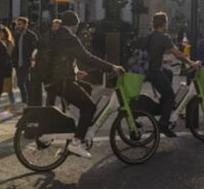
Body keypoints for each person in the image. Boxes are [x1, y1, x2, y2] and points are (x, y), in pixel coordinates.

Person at [46, 10, 123, 159]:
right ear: (75, 25)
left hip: (54, 80)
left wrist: (75, 72)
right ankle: (76, 142)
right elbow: (87, 57)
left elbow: (62, 59)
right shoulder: (70, 38)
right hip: (62, 82)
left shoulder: (56, 35)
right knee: (90, 106)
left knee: (87, 88)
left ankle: (78, 128)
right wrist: (112, 67)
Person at [145, 12, 199, 138]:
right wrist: (191, 62)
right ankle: (163, 124)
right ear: (164, 23)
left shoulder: (151, 36)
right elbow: (178, 54)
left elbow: (152, 53)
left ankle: (165, 105)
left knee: (168, 73)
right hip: (155, 72)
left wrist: (162, 60)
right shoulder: (164, 38)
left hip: (150, 70)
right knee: (170, 96)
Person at [13, 16, 38, 105]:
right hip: (18, 64)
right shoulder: (16, 35)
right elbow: (14, 49)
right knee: (26, 83)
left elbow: (36, 49)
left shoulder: (31, 35)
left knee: (20, 83)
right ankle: (30, 102)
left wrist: (33, 61)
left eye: (20, 24)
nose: (18, 26)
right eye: (17, 24)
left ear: (25, 25)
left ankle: (24, 102)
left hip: (27, 63)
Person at [1, 25, 16, 105]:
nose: (0, 35)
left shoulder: (9, 42)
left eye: (2, 33)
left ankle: (12, 101)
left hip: (7, 66)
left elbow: (8, 54)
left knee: (8, 87)